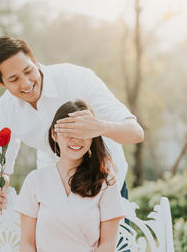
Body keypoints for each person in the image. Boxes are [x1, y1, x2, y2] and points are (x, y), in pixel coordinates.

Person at [0, 36, 144, 213]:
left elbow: (136, 132)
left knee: (114, 241)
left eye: (28, 71)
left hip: (106, 184)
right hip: (55, 191)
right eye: (14, 79)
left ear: (35, 61)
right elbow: (0, 165)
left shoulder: (77, 79)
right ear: (1, 82)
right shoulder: (5, 109)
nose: (26, 83)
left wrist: (98, 126)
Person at [15, 100, 126, 252]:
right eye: (69, 132)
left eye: (83, 132)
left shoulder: (106, 181)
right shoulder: (35, 181)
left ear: (92, 136)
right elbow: (27, 243)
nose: (76, 139)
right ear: (54, 134)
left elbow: (107, 244)